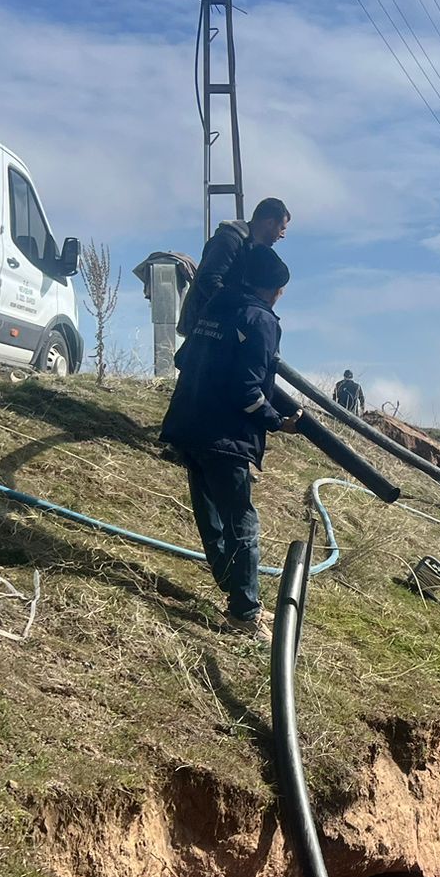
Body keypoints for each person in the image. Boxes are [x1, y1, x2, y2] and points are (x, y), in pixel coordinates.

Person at [160, 244, 302, 634]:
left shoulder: (215, 307)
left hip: (189, 424)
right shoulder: (261, 320)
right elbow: (248, 390)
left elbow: (183, 359)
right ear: (273, 288)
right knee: (241, 521)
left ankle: (236, 592)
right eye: (281, 289)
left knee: (210, 516)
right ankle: (244, 613)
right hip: (226, 436)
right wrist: (278, 422)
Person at [177, 196, 291, 335]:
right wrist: (240, 308)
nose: (282, 235)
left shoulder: (249, 247)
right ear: (270, 223)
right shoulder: (229, 240)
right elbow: (207, 279)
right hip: (205, 329)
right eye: (281, 228)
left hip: (221, 327)